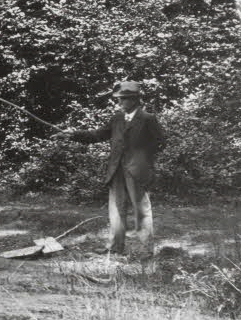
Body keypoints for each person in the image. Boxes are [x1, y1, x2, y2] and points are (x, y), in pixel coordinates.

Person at [65, 80, 166, 257]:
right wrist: (72, 134)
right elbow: (97, 135)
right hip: (116, 169)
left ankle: (145, 250)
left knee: (141, 210)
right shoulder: (117, 118)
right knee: (116, 209)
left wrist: (142, 160)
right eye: (119, 99)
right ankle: (115, 248)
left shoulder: (148, 119)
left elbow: (160, 143)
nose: (119, 103)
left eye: (123, 99)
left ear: (134, 100)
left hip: (137, 172)